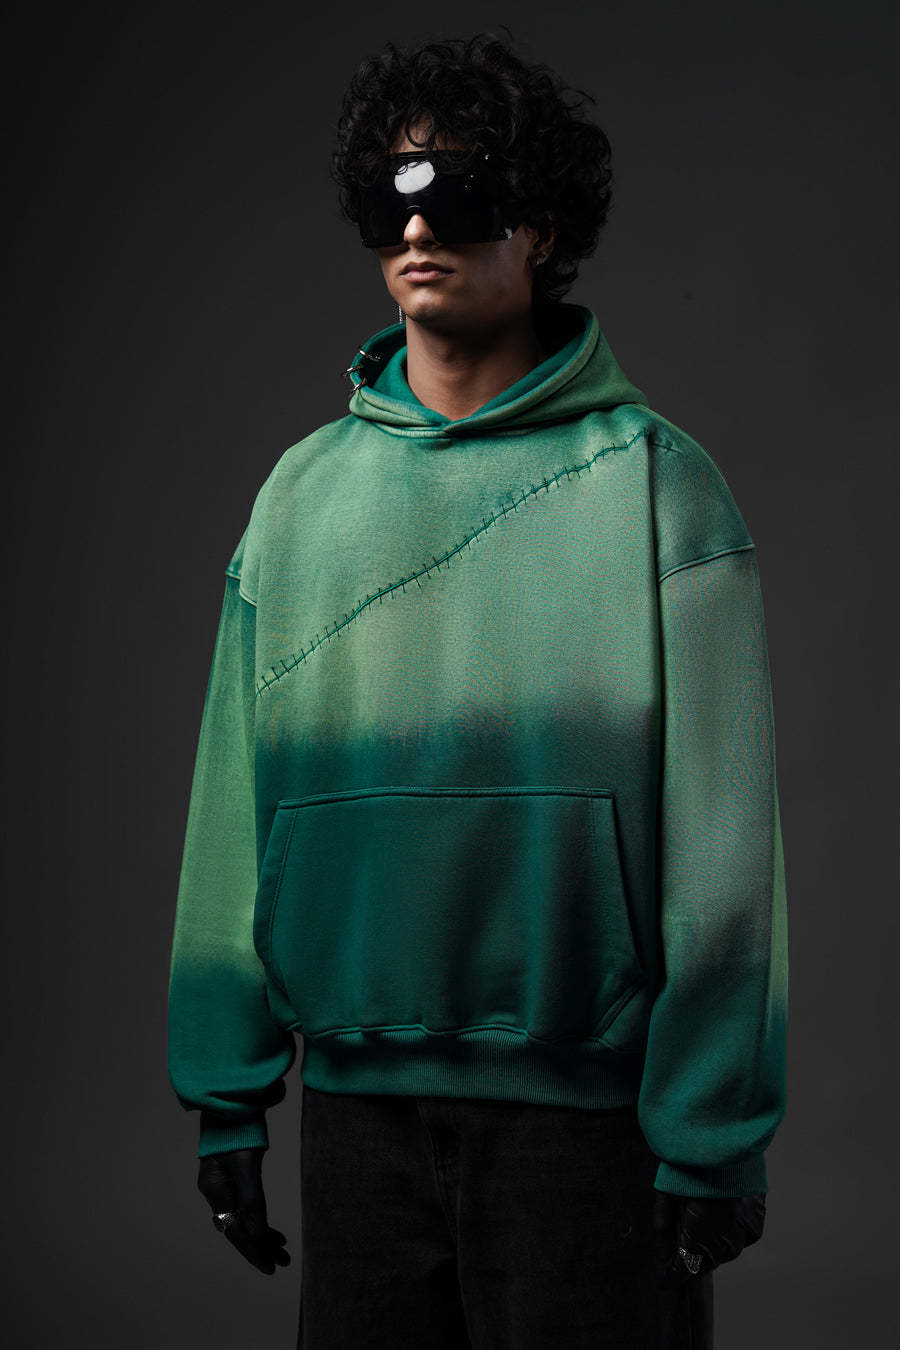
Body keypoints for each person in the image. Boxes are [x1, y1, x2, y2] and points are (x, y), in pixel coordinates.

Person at [167, 29, 787, 1350]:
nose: (417, 230)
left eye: (457, 194)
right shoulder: (297, 501)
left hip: (590, 1130)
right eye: (388, 197)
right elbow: (231, 813)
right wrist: (227, 1097)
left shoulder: (661, 492)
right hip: (356, 1123)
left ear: (541, 226)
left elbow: (728, 851)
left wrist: (714, 1130)